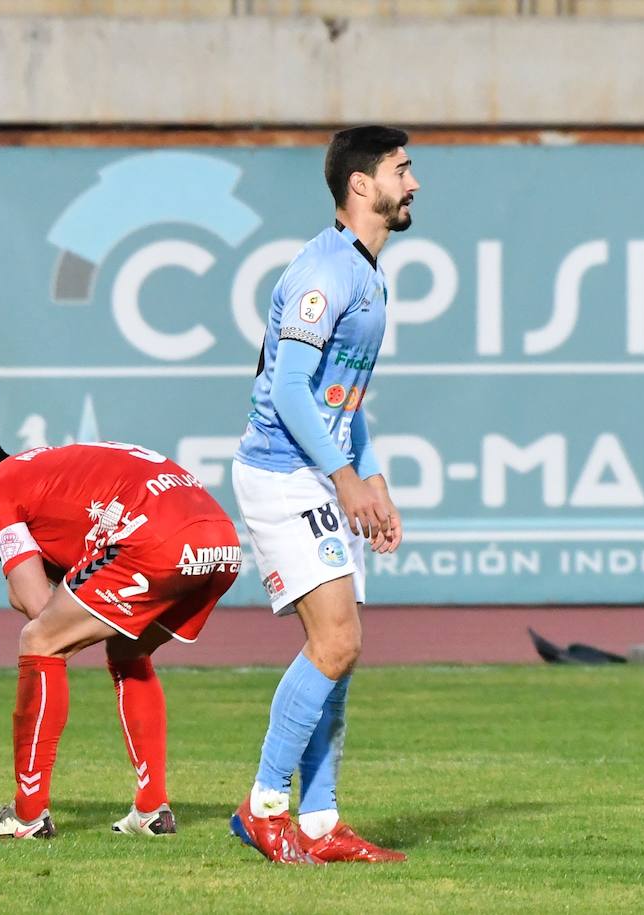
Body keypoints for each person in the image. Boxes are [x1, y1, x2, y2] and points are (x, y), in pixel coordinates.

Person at [229, 125, 417, 864]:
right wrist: (343, 477)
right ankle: (264, 803)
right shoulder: (323, 275)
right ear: (362, 186)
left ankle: (318, 820)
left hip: (321, 469)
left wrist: (370, 479)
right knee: (336, 641)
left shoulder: (366, 272)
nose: (415, 182)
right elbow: (288, 390)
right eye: (403, 169)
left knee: (339, 649)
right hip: (283, 470)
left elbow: (345, 395)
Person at [0, 433, 241, 839]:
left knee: (38, 641)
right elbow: (82, 588)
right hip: (219, 542)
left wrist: (1, 551)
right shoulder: (46, 473)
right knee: (127, 648)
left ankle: (27, 814)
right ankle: (152, 810)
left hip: (154, 539)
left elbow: (38, 606)